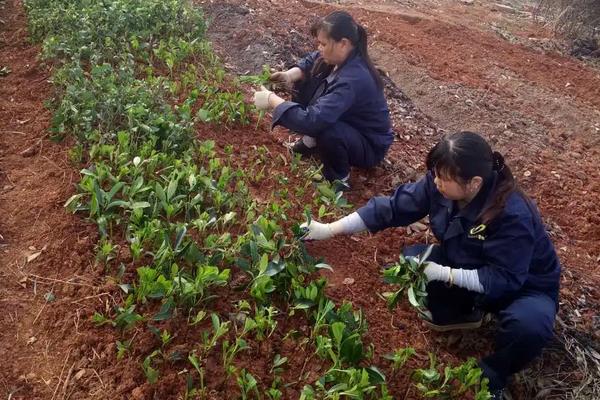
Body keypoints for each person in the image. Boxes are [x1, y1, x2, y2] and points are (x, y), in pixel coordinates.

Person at [300, 132, 561, 398]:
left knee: (528, 327)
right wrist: (330, 229)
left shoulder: (511, 214)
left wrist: (446, 274)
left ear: (474, 183)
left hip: (524, 287)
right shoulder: (443, 185)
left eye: (443, 178)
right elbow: (391, 208)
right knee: (414, 260)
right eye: (435, 174)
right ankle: (463, 314)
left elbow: (505, 278)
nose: (436, 182)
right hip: (468, 266)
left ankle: (491, 378)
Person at [253, 11, 393, 188]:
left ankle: (338, 179)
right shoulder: (339, 59)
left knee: (328, 129)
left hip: (368, 145)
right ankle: (310, 143)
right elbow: (312, 60)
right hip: (349, 127)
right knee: (306, 79)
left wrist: (272, 100)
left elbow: (314, 120)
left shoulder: (354, 79)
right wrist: (290, 75)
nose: (319, 48)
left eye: (323, 43)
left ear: (343, 43)